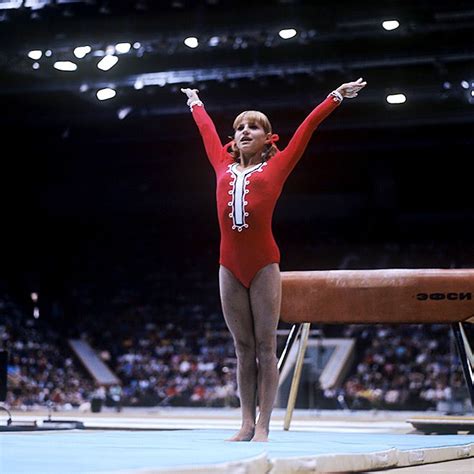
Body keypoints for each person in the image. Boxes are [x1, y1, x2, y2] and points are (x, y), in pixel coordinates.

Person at [181, 78, 366, 442]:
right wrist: (194, 102)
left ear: (268, 137)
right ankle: (246, 422)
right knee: (242, 347)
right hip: (228, 266)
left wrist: (335, 97)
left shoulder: (278, 165)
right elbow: (205, 130)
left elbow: (307, 127)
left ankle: (264, 425)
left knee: (266, 345)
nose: (243, 131)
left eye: (253, 126)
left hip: (264, 264)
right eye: (238, 127)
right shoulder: (221, 163)